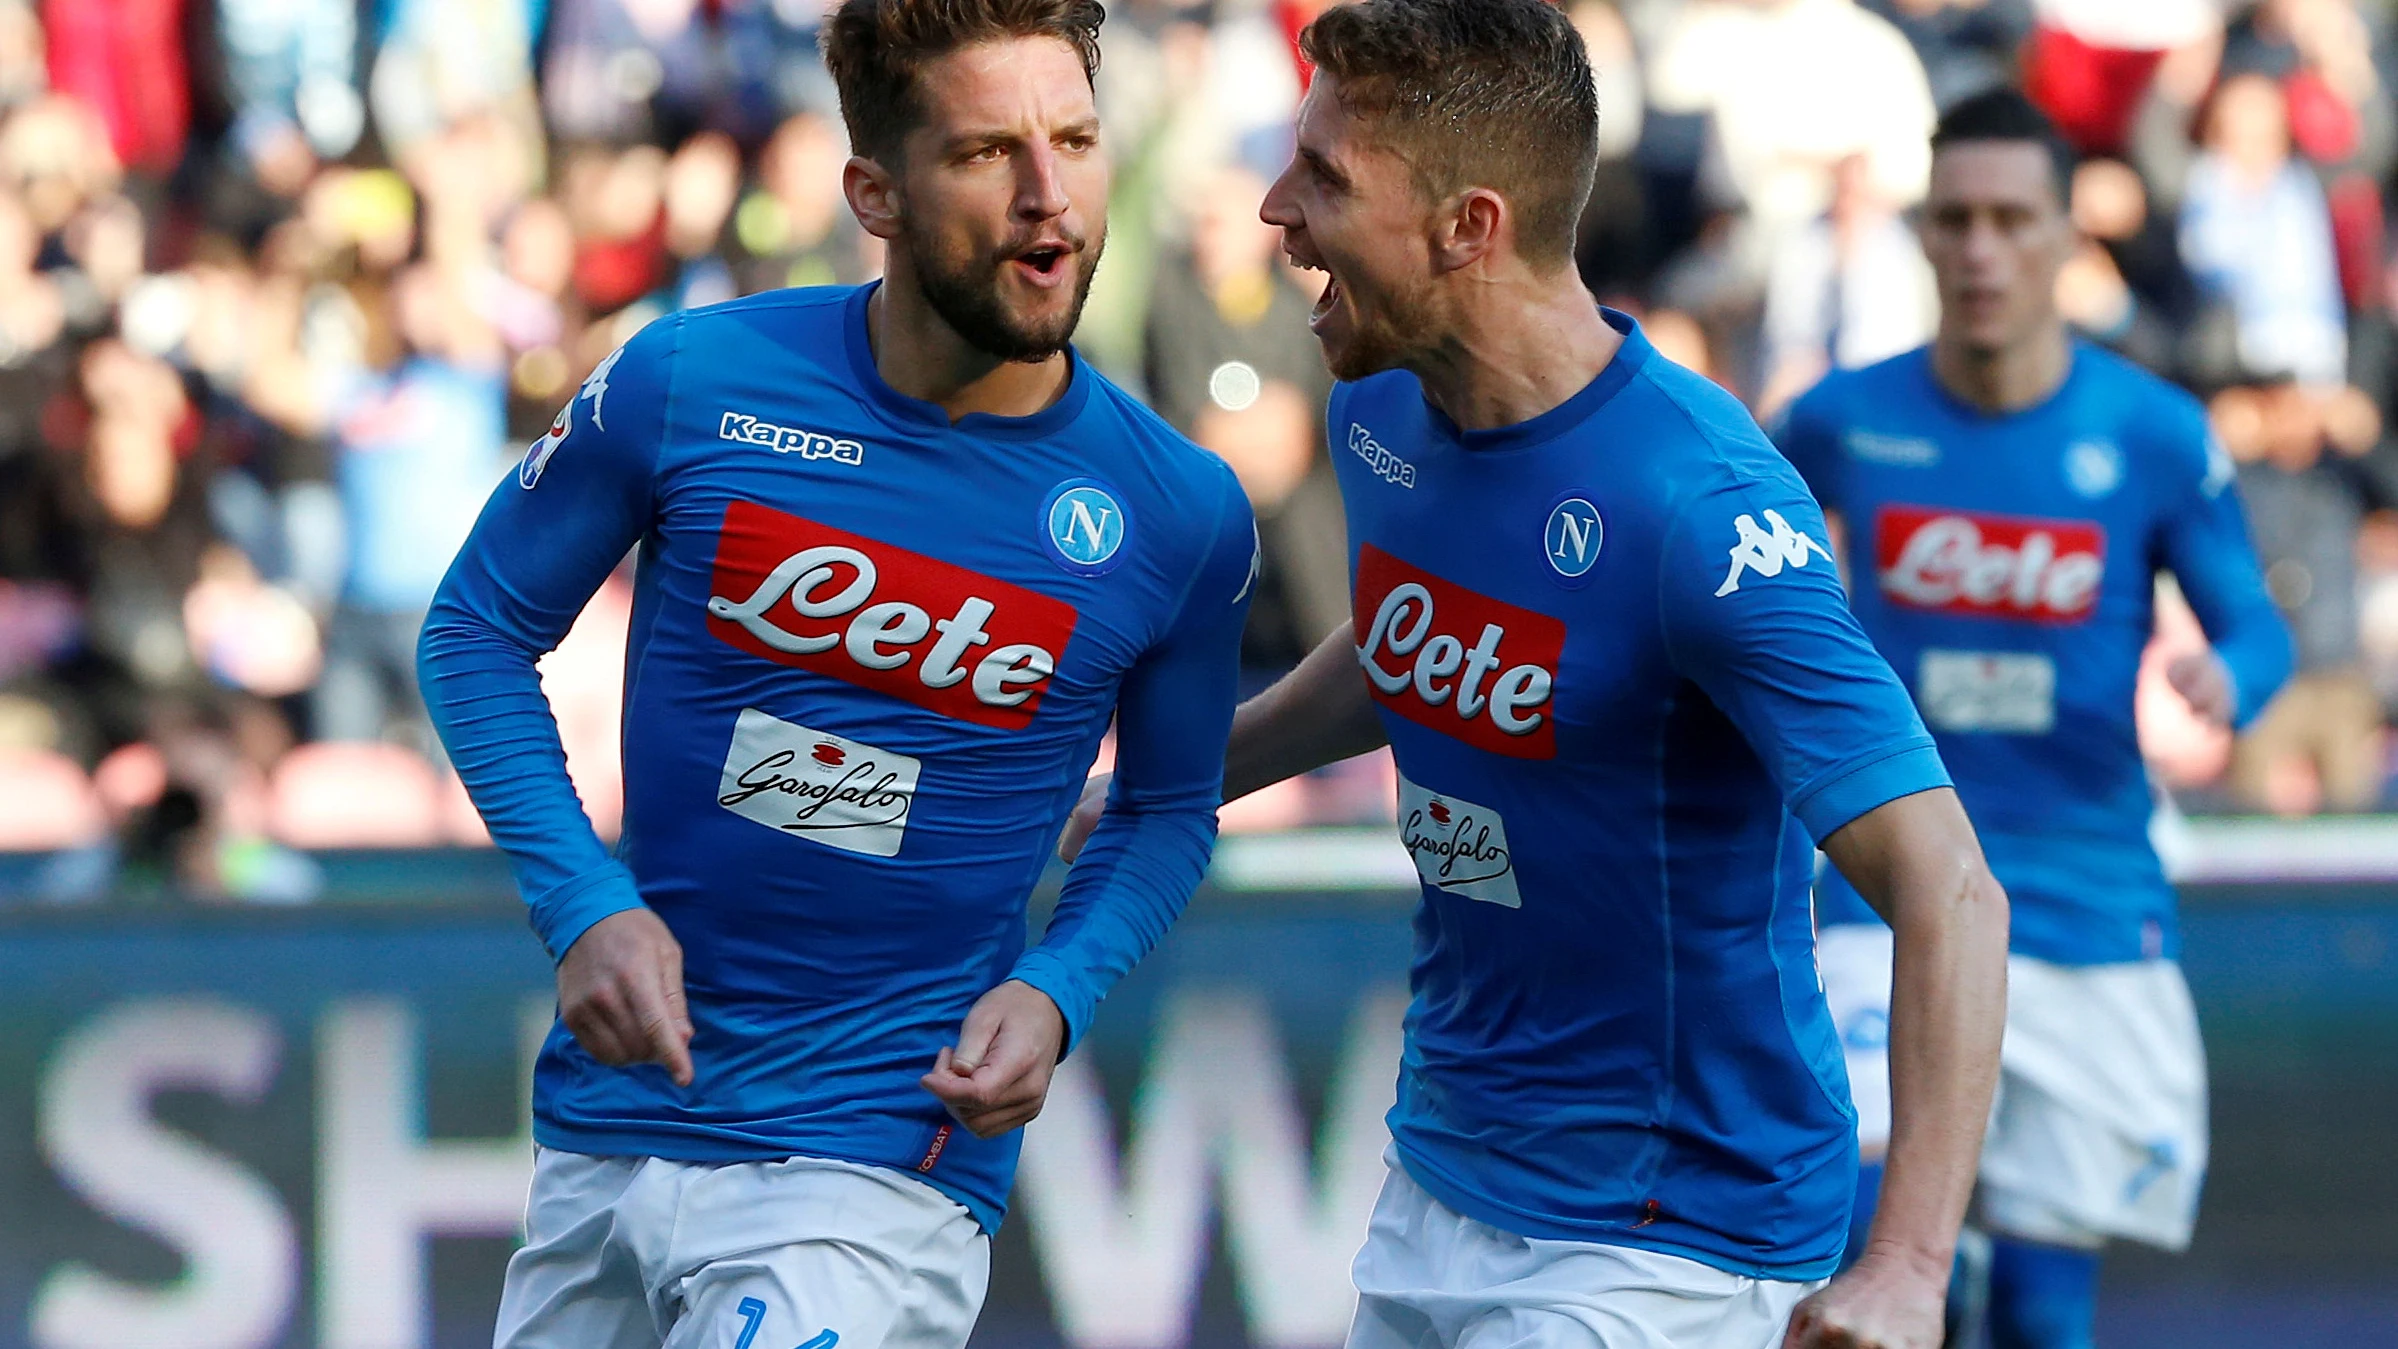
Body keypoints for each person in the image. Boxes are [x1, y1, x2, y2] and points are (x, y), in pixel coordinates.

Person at [1062, 3, 2010, 1346]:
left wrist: (1908, 1268)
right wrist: (1178, 780)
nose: (1274, 207)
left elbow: (1951, 890)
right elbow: (1416, 639)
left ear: (1469, 227)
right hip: (1440, 1172)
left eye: (1325, 177)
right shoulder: (1380, 405)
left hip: (1664, 1238)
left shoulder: (1701, 513)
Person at [417, 2, 1258, 1346]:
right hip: (616, 1124)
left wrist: (1059, 985)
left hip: (878, 1159)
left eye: (1077, 140)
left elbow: (1164, 809)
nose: (1050, 198)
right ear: (873, 190)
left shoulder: (1178, 513)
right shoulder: (692, 380)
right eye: (987, 153)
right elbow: (473, 629)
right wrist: (580, 902)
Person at [1775, 90, 2295, 1349]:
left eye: (2012, 219)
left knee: (2042, 1306)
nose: (1980, 250)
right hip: (1882, 883)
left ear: (2068, 236)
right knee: (1861, 1247)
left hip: (2084, 895)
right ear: (1919, 234)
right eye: (1953, 220)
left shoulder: (2155, 435)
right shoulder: (1840, 422)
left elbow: (2259, 623)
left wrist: (2230, 675)